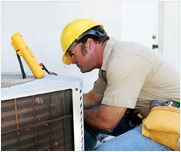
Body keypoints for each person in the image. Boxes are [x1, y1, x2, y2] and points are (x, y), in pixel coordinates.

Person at [60, 18, 180, 151]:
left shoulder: (123, 59)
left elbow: (107, 121)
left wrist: (71, 112)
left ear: (88, 43)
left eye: (72, 54)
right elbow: (94, 97)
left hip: (171, 125)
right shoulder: (108, 61)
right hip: (151, 118)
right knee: (83, 123)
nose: (72, 61)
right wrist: (63, 103)